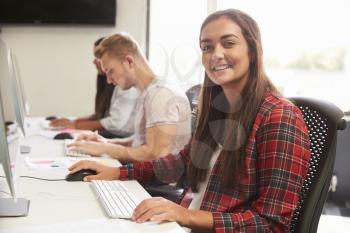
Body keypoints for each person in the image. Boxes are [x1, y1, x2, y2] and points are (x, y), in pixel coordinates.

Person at [69, 9, 311, 232]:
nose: (216, 54)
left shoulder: (279, 116)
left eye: (228, 43)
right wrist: (117, 172)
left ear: (251, 50)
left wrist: (185, 215)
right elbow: (181, 163)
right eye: (207, 47)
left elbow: (272, 223)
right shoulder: (219, 109)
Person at [68, 33, 192, 162]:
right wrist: (104, 143)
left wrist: (105, 149)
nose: (109, 80)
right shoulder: (149, 91)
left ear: (129, 61)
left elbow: (156, 155)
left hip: (158, 182)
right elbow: (140, 142)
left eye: (110, 71)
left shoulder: (161, 94)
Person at [50, 37, 138, 138]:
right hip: (114, 134)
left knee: (76, 140)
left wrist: (75, 125)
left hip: (119, 135)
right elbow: (101, 115)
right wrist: (73, 122)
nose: (94, 62)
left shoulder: (126, 83)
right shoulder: (108, 81)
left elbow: (115, 123)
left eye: (98, 58)